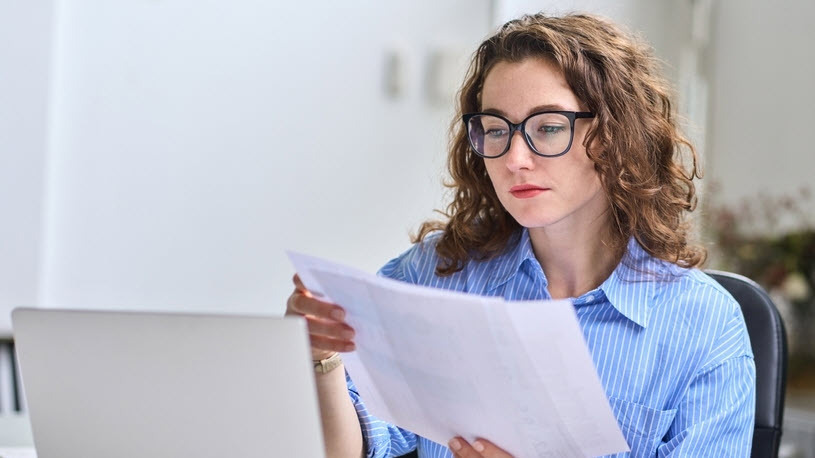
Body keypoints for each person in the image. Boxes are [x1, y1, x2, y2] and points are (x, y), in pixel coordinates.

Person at [286, 12, 755, 458]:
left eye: (547, 128)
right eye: (494, 129)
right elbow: (350, 448)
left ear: (615, 135)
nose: (514, 159)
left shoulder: (706, 327)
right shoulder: (434, 272)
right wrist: (322, 358)